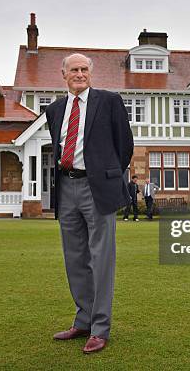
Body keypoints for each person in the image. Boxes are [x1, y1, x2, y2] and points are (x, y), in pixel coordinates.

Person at [45, 53, 133, 354]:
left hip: (97, 189)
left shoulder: (109, 102)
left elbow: (125, 147)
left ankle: (100, 327)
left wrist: (106, 176)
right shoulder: (55, 109)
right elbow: (57, 145)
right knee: (75, 259)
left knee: (101, 259)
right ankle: (83, 321)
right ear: (64, 74)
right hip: (66, 188)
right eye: (74, 70)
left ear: (90, 73)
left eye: (84, 69)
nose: (79, 74)